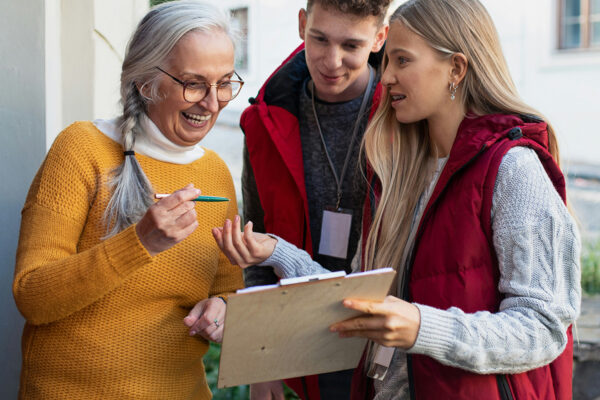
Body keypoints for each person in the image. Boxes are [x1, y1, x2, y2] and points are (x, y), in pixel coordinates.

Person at [214, 0, 582, 399]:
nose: (385, 77)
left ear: (456, 69)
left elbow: (545, 327)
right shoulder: (402, 168)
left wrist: (421, 327)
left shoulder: (514, 170)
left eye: (401, 61)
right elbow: (355, 295)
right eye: (387, 61)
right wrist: (275, 252)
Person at [12, 1, 244, 399]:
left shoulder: (216, 173)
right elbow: (32, 295)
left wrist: (222, 309)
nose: (213, 102)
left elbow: (229, 290)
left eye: (224, 82)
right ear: (145, 82)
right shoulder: (82, 149)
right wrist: (139, 243)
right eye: (194, 83)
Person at [240, 0, 390, 398]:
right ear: (302, 24)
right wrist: (262, 359)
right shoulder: (265, 121)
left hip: (391, 347)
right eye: (319, 39)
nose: (331, 61)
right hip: (306, 344)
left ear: (379, 39)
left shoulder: (405, 115)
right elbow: (257, 243)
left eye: (351, 46)